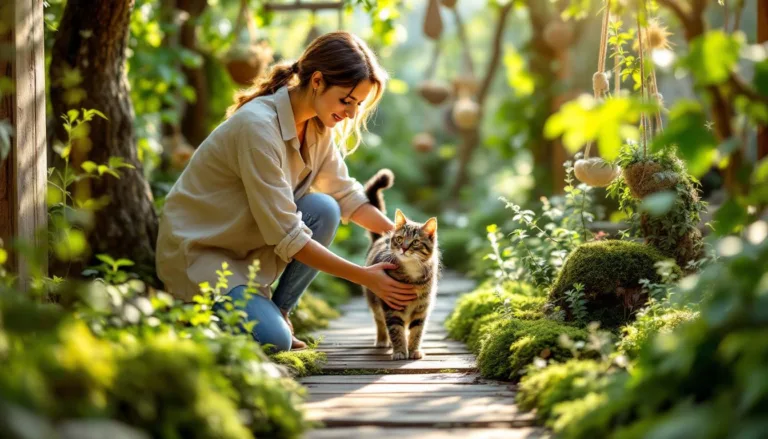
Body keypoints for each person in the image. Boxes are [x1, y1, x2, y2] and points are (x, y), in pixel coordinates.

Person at [155, 31, 417, 351]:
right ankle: (194, 309)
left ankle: (279, 310)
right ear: (317, 81)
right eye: (347, 101)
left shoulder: (317, 126)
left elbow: (346, 195)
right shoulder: (257, 127)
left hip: (245, 252)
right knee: (274, 341)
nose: (350, 113)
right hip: (202, 254)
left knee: (325, 208)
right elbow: (287, 234)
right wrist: (366, 276)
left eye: (358, 105)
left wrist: (403, 239)